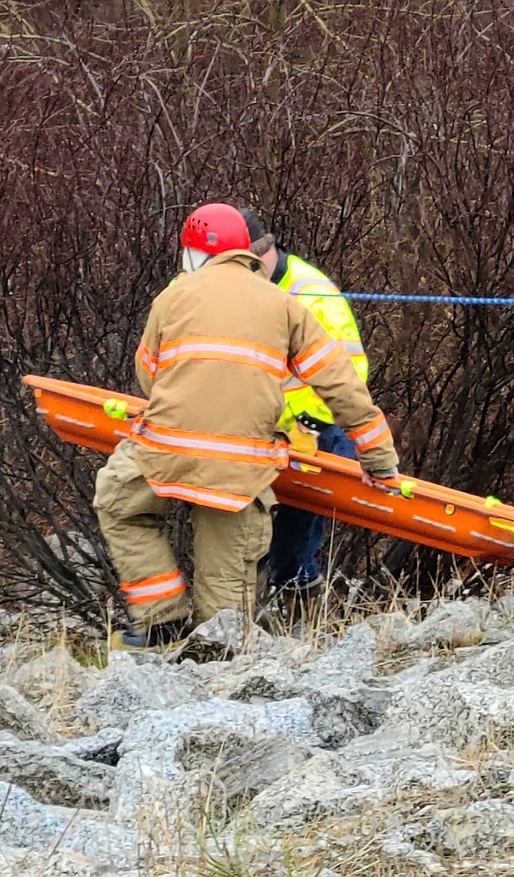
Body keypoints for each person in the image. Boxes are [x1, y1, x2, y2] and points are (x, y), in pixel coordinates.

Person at [93, 203, 399, 649]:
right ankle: (218, 664)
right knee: (226, 613)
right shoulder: (285, 304)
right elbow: (344, 387)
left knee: (118, 503)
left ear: (194, 254)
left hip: (161, 451)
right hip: (240, 466)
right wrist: (378, 460)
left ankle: (162, 621)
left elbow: (148, 374)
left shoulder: (173, 296)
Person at [239, 209, 375, 616]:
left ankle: (297, 608)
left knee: (296, 527)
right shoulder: (219, 285)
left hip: (312, 427)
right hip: (252, 425)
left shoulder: (311, 293)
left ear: (265, 252)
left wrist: (308, 424)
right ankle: (260, 604)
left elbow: (347, 376)